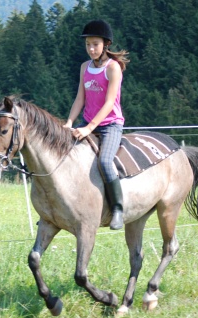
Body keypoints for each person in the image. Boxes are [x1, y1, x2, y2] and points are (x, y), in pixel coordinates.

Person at [64, 19, 129, 230]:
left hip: (110, 125)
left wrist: (89, 128)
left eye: (95, 44)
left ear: (106, 44)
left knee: (104, 162)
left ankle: (118, 209)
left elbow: (110, 103)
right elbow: (79, 99)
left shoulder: (113, 68)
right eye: (88, 45)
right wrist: (69, 122)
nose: (91, 49)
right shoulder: (85, 67)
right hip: (86, 122)